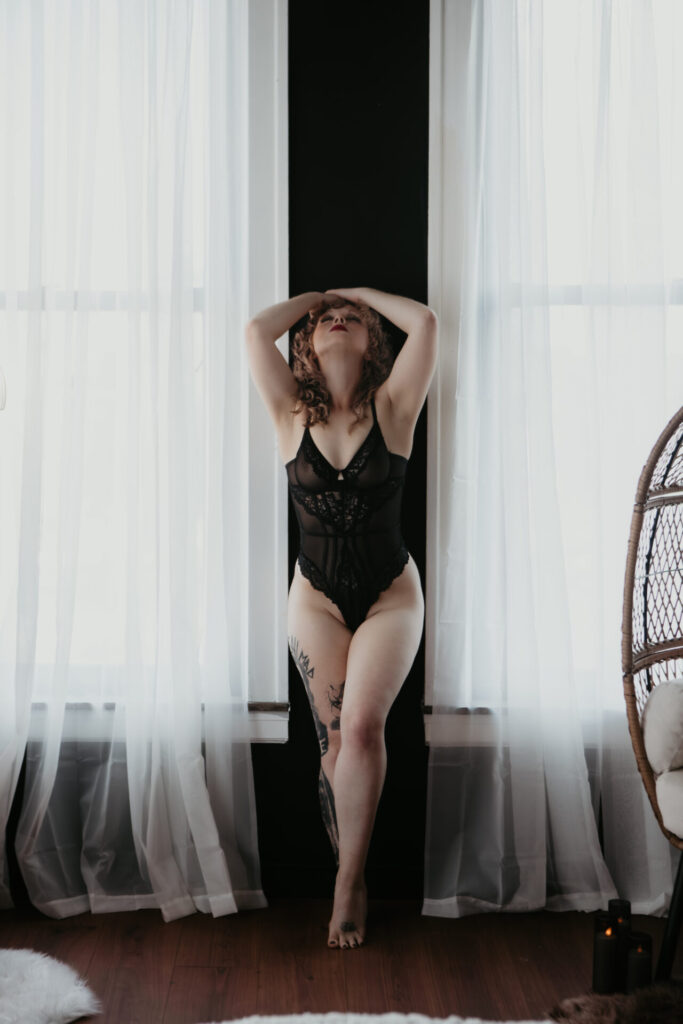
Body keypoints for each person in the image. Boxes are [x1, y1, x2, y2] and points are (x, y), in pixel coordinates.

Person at [245, 287, 438, 949]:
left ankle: (348, 882)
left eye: (351, 318)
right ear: (304, 340)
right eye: (326, 317)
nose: (337, 319)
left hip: (390, 593)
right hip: (315, 596)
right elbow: (252, 330)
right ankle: (347, 867)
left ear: (369, 340)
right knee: (331, 743)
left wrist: (354, 292)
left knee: (360, 728)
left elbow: (425, 322)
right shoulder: (288, 411)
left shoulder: (393, 406)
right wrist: (316, 297)